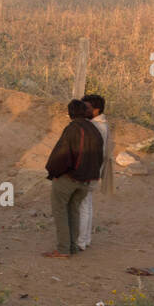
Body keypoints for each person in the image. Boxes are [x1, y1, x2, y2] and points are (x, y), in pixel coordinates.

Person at [44, 99, 103, 258]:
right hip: (87, 179)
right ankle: (73, 247)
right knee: (74, 211)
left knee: (61, 212)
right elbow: (99, 157)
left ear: (70, 113)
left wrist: (53, 172)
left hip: (70, 178)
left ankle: (63, 249)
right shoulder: (94, 129)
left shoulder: (73, 129)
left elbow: (61, 155)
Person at [78, 94, 113, 251]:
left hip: (89, 169)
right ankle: (85, 239)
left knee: (83, 205)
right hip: (94, 170)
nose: (84, 110)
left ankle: (80, 241)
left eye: (87, 108)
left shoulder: (97, 127)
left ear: (96, 109)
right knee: (87, 204)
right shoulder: (101, 124)